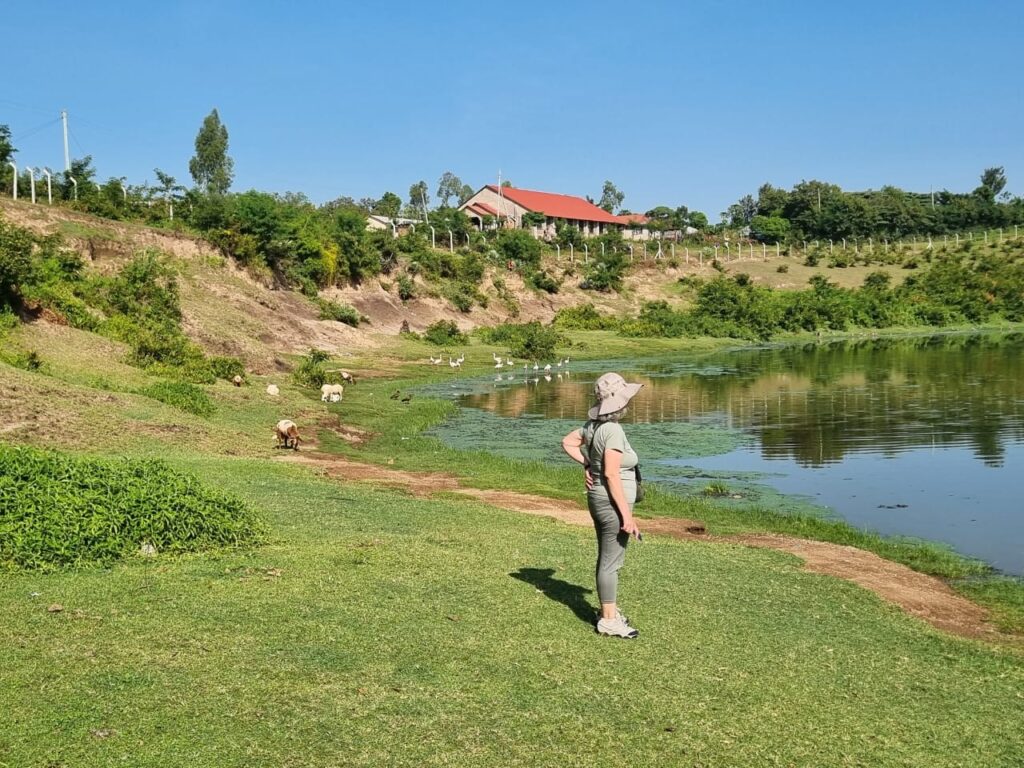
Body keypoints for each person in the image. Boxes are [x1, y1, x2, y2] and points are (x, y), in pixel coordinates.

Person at [561, 372, 643, 638]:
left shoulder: (592, 426)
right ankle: (608, 620)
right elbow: (610, 474)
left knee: (607, 557)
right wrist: (626, 516)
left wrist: (586, 463)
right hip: (610, 502)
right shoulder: (613, 430)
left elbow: (568, 442)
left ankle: (610, 611)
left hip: (598, 498)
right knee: (611, 562)